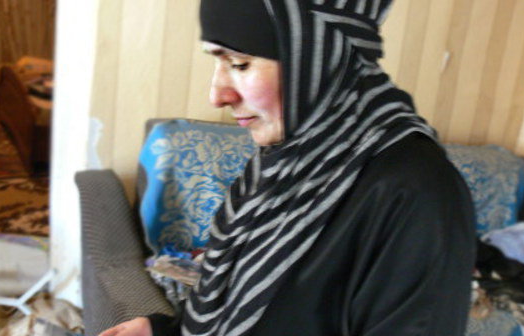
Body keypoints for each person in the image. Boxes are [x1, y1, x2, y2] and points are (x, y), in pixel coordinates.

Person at [100, 0, 476, 335]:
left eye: (240, 63)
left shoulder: (420, 193)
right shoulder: (291, 157)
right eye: (218, 61)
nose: (217, 95)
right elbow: (250, 308)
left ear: (319, 56)